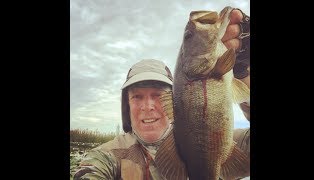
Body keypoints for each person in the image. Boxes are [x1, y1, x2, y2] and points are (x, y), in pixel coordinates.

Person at [73, 7, 250, 180]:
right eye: (137, 96)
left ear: (173, 99)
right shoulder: (107, 156)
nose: (148, 106)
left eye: (157, 94)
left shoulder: (223, 139)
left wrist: (245, 73)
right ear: (127, 104)